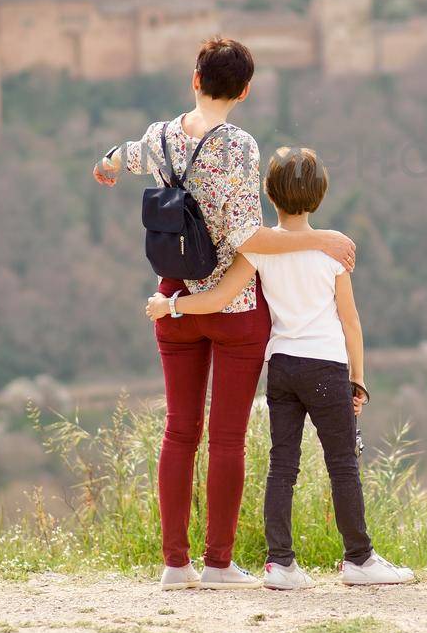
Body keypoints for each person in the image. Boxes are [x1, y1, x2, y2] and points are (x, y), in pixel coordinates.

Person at [93, 37, 356, 591]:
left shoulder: (161, 134)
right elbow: (248, 237)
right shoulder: (237, 145)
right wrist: (323, 239)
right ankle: (217, 564)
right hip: (233, 304)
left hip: (174, 296)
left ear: (195, 78)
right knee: (227, 438)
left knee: (178, 431)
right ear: (245, 90)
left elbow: (125, 155)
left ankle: (174, 564)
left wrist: (107, 164)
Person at [147, 146, 414, 588]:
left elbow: (218, 299)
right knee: (342, 464)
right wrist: (358, 381)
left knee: (282, 465)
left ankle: (280, 564)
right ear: (320, 196)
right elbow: (351, 321)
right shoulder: (333, 249)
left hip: (282, 368)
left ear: (269, 196)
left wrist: (171, 306)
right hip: (327, 367)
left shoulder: (258, 250)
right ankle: (359, 560)